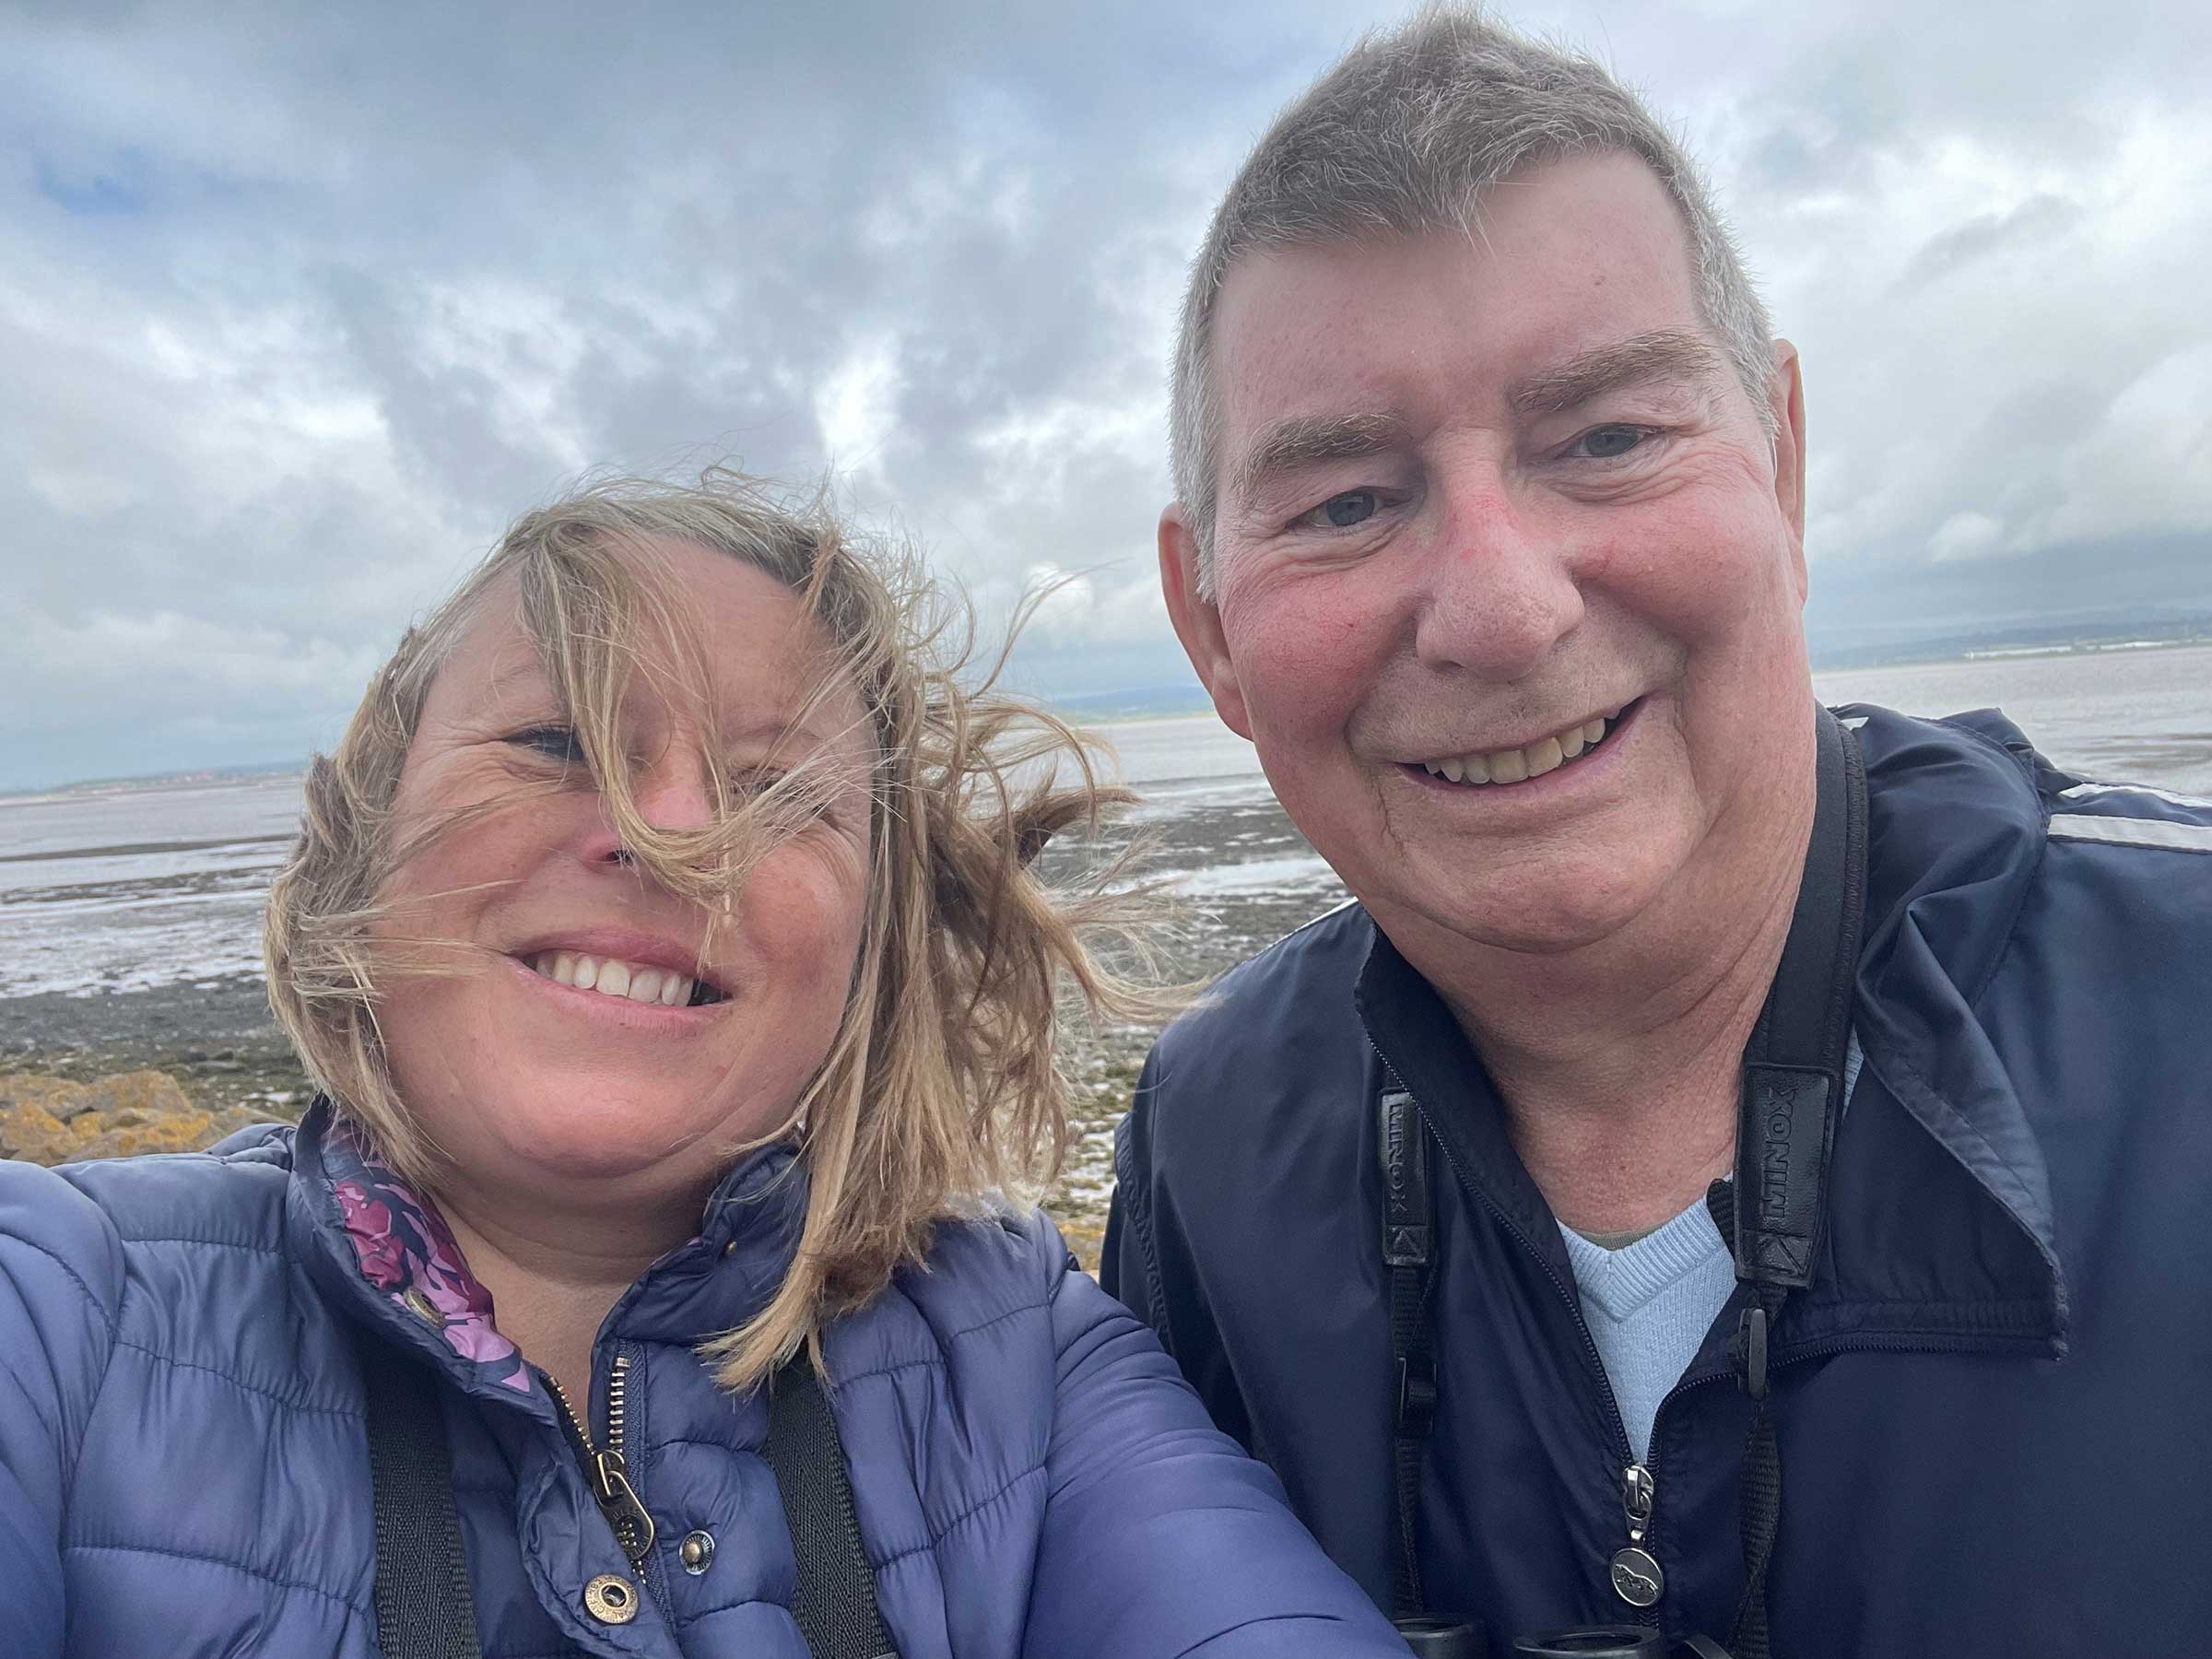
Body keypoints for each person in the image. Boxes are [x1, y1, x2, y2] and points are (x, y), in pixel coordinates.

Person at [1103, 10, 2212, 1656]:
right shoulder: (1209, 1147)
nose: (1498, 607)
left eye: (1608, 440)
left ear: (1787, 465)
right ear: (1208, 630)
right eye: (1346, 502)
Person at [0, 471, 1407, 1658]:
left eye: (774, 790)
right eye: (554, 743)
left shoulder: (1020, 1354)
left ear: (875, 938)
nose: (668, 835)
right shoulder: (61, 1308)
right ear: (364, 837)